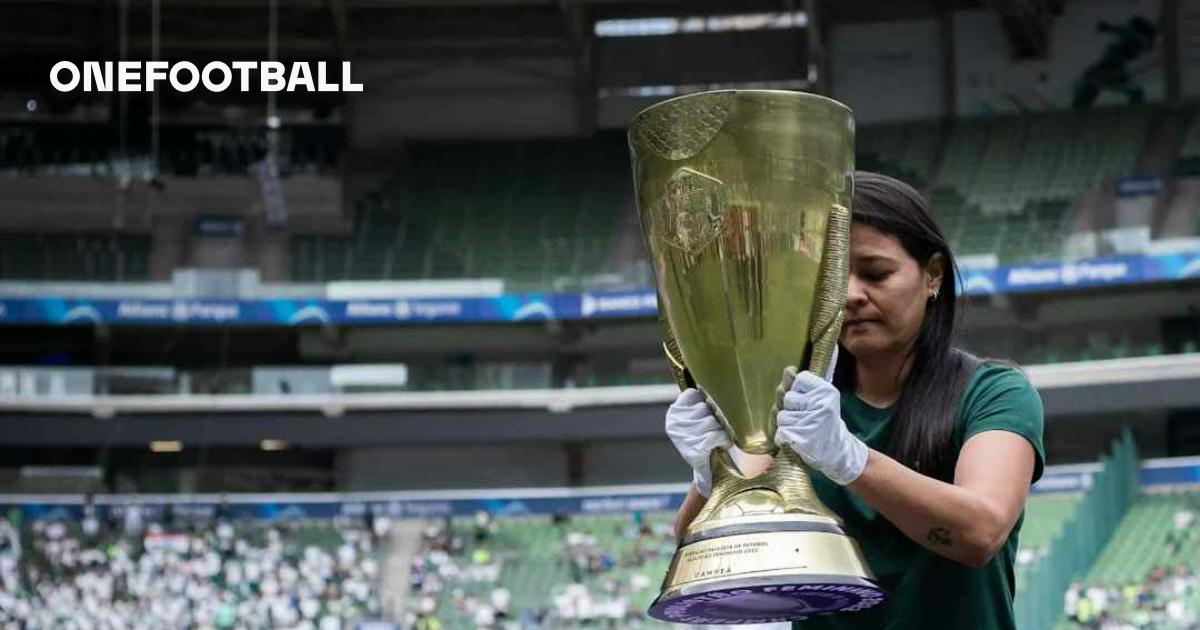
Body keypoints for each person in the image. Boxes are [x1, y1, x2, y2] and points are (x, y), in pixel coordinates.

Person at [666, 172, 1045, 630]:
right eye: (827, 278)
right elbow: (696, 548)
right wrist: (712, 473)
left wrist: (848, 458)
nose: (848, 296)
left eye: (876, 273)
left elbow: (981, 532)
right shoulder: (793, 404)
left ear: (933, 275)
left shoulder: (993, 392)